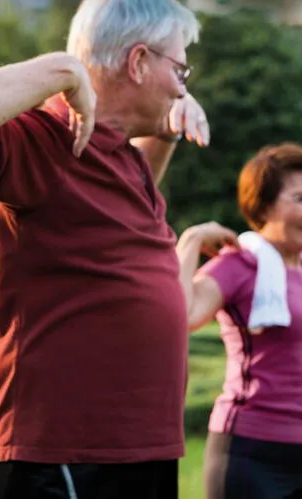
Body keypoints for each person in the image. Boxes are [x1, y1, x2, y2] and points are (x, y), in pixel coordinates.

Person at [0, 0, 209, 497]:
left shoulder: (120, 153)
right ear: (137, 62)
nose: (183, 86)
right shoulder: (46, 138)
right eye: (178, 69)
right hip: (64, 452)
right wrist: (65, 68)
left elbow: (107, 227)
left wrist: (168, 131)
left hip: (141, 445)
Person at [176, 143, 302, 499]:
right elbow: (181, 316)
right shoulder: (239, 264)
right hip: (252, 453)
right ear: (263, 206)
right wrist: (191, 241)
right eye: (299, 198)